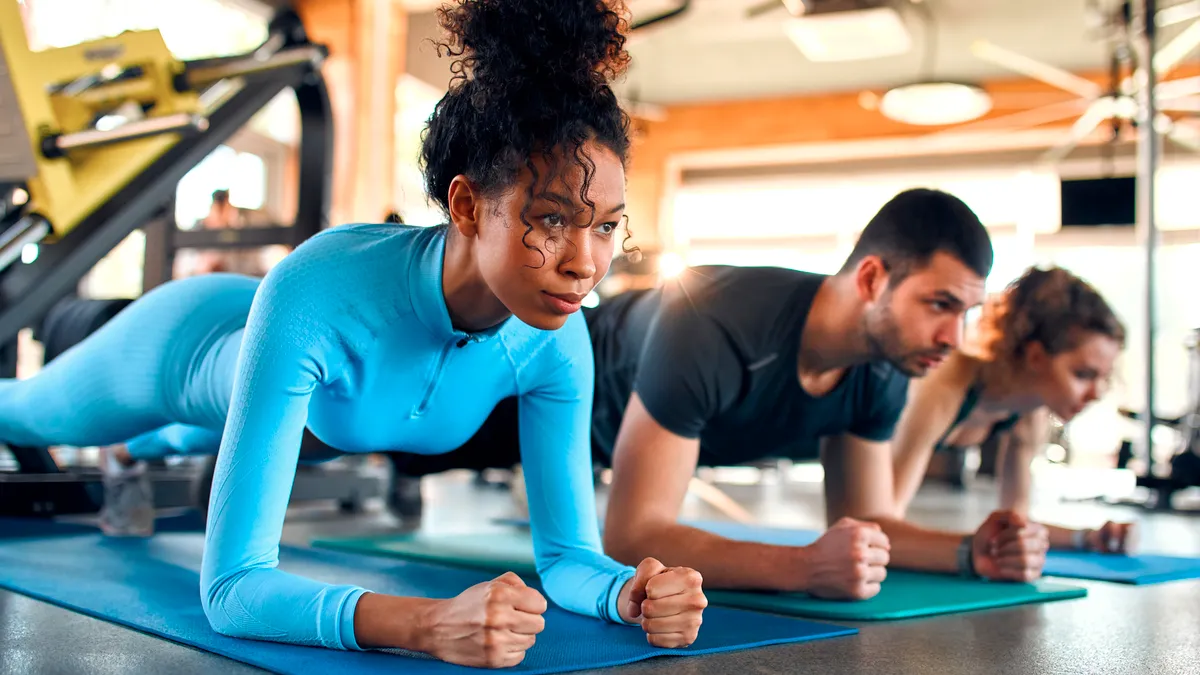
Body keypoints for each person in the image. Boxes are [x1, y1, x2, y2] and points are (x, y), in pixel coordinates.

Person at [0, 0, 707, 667]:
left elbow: (566, 558)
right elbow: (233, 587)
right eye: (552, 219)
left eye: (606, 225)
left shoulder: (555, 341)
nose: (585, 262)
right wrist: (425, 624)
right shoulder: (321, 290)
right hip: (183, 342)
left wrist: (626, 591)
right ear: (466, 204)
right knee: (23, 411)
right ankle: (126, 437)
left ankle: (136, 451)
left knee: (227, 432)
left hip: (306, 401)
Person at [592, 187, 1055, 598]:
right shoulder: (710, 320)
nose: (954, 337)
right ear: (872, 279)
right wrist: (803, 566)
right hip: (534, 388)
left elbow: (867, 518)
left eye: (967, 312)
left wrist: (973, 551)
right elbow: (633, 536)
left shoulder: (885, 370)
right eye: (940, 305)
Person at [891, 265, 1134, 554]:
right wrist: (974, 553)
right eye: (1083, 374)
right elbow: (881, 522)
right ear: (1035, 357)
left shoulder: (1029, 412)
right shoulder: (946, 386)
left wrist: (1089, 538)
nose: (1097, 393)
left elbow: (1016, 525)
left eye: (1103, 378)